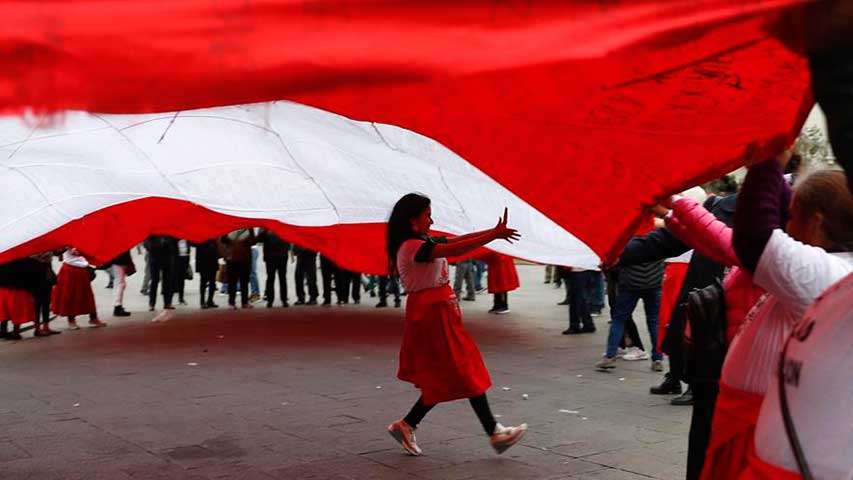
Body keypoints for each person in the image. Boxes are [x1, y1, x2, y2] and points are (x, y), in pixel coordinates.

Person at [723, 158, 853, 478]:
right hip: (752, 433)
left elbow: (754, 237)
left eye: (793, 217)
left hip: (775, 454)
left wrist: (770, 157)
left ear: (816, 223)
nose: (787, 226)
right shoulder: (828, 266)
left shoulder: (831, 273)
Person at [385, 194, 526, 456]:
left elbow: (455, 242)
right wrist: (493, 236)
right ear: (413, 220)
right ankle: (494, 432)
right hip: (431, 314)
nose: (432, 219)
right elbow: (454, 249)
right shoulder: (412, 246)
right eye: (428, 214)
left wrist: (494, 232)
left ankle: (407, 424)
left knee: (449, 374)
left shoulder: (420, 242)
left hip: (437, 312)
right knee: (463, 369)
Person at [595, 259, 665, 372]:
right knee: (654, 322)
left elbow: (614, 262)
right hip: (654, 283)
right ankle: (657, 359)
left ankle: (610, 356)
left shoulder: (627, 243)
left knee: (618, 320)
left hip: (630, 284)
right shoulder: (658, 242)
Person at [52, 248, 106, 329]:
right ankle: (71, 320)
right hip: (70, 269)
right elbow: (56, 252)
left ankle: (93, 318)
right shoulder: (64, 240)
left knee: (88, 295)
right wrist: (66, 248)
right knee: (70, 295)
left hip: (82, 268)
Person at [0, 258, 40, 340]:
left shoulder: (4, 257)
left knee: (5, 310)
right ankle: (15, 331)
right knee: (16, 310)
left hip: (5, 287)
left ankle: (5, 330)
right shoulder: (25, 260)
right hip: (17, 289)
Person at [220, 228, 257, 309]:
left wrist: (251, 229)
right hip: (232, 260)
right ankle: (231, 302)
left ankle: (244, 302)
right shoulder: (229, 229)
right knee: (232, 282)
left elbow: (253, 242)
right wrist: (225, 255)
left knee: (244, 282)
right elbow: (222, 240)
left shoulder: (248, 230)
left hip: (244, 260)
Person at [257, 228, 291, 308]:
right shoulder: (282, 226)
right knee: (279, 278)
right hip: (279, 255)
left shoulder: (266, 228)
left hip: (273, 256)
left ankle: (272, 300)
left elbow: (259, 239)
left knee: (272, 278)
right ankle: (282, 299)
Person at [145, 235, 177, 311]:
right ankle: (152, 304)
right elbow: (146, 244)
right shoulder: (151, 232)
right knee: (154, 281)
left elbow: (174, 242)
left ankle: (167, 303)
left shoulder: (169, 232)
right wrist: (154, 246)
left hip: (167, 258)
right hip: (154, 257)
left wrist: (168, 244)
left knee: (167, 281)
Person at [31, 252, 60, 336]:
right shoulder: (32, 254)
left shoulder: (47, 251)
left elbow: (57, 252)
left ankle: (46, 327)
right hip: (36, 281)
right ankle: (37, 328)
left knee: (46, 304)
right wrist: (44, 257)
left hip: (47, 280)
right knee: (37, 305)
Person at [562, 268, 597, 334]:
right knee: (581, 299)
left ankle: (575, 325)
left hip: (577, 270)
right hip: (585, 270)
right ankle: (588, 323)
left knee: (575, 300)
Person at [106, 250, 134, 317]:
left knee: (120, 284)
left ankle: (118, 305)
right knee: (120, 284)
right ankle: (117, 306)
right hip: (119, 261)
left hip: (117, 261)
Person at [195, 239, 220, 309]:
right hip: (203, 259)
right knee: (203, 281)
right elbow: (193, 243)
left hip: (212, 258)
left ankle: (210, 300)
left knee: (212, 282)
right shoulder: (199, 234)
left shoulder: (214, 233)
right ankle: (202, 301)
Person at [174, 240, 191, 306]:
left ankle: (181, 298)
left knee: (181, 279)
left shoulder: (186, 237)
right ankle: (169, 300)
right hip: (176, 259)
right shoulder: (175, 237)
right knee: (174, 279)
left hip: (185, 258)